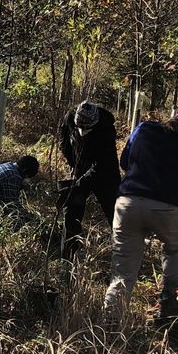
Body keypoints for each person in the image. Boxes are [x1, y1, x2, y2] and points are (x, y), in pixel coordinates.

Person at [103, 111, 178, 325]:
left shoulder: (144, 129)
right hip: (166, 208)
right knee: (176, 248)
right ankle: (168, 300)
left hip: (127, 204)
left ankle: (110, 322)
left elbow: (124, 162)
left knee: (123, 270)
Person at [57, 100, 120, 255]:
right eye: (80, 128)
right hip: (80, 167)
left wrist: (81, 182)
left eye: (87, 129)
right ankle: (69, 253)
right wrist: (73, 164)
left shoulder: (106, 130)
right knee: (72, 207)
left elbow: (102, 164)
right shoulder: (69, 118)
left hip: (105, 173)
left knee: (115, 211)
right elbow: (63, 142)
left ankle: (123, 250)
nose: (83, 131)